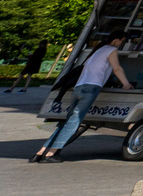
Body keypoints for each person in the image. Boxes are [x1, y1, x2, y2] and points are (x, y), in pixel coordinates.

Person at [32, 30, 129, 162]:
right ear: (116, 40)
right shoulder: (111, 50)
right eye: (122, 41)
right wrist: (126, 83)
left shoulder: (97, 50)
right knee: (74, 122)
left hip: (79, 87)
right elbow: (117, 68)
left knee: (66, 121)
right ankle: (51, 154)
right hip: (91, 87)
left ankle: (41, 152)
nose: (121, 44)